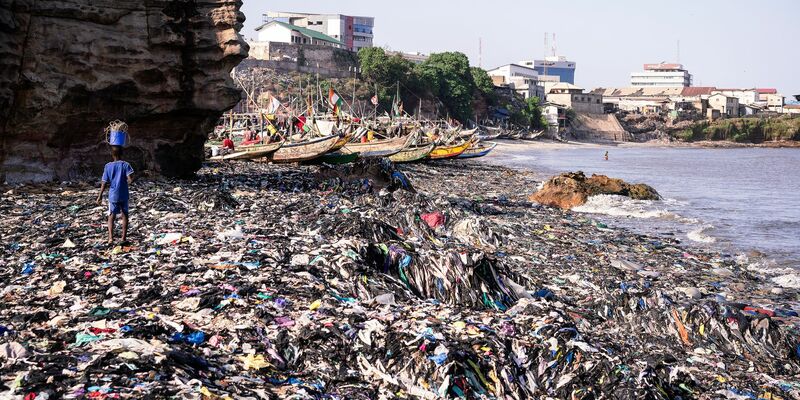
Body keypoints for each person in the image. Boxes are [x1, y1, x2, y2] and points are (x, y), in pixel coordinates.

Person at [96, 146, 135, 244]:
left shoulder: (107, 166)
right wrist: (129, 180)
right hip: (124, 194)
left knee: (111, 216)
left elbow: (104, 182)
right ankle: (123, 238)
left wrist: (100, 195)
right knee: (125, 215)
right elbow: (130, 179)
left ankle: (110, 238)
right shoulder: (126, 165)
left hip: (113, 195)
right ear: (122, 153)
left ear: (112, 155)